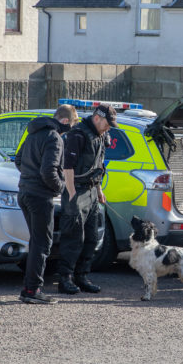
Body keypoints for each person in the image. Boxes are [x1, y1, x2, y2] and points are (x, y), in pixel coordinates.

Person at [15, 104, 78, 304]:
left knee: (36, 241)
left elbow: (18, 160)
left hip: (24, 192)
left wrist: (29, 177)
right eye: (73, 124)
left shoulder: (33, 133)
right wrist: (60, 187)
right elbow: (48, 171)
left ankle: (29, 288)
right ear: (66, 121)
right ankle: (33, 290)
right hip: (40, 197)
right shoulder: (54, 137)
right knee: (42, 244)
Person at [57, 104, 117, 295]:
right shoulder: (78, 134)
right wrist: (72, 193)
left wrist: (99, 190)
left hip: (91, 191)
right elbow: (68, 167)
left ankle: (81, 276)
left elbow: (98, 165)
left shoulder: (100, 135)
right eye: (107, 123)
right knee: (73, 238)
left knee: (91, 238)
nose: (109, 128)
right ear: (97, 118)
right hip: (77, 191)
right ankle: (65, 279)